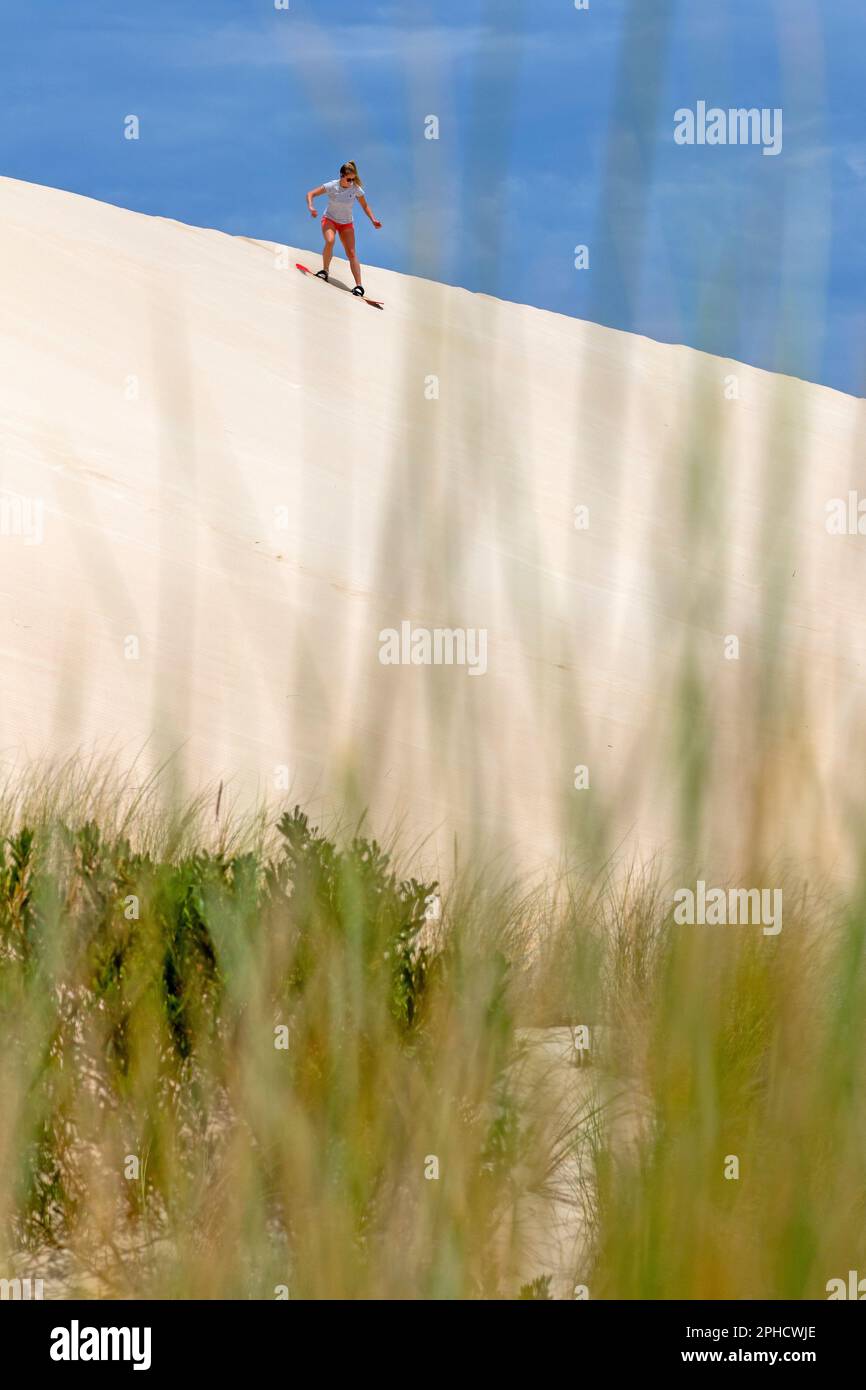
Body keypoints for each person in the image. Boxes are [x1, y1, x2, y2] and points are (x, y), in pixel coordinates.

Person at [305, 161, 381, 297]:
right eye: (348, 179)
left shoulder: (356, 189)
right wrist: (311, 206)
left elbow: (365, 205)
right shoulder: (332, 186)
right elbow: (311, 193)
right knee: (330, 241)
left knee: (351, 253)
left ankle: (359, 286)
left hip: (346, 224)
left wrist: (373, 219)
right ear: (341, 176)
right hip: (330, 220)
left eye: (353, 179)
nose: (351, 182)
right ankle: (325, 271)